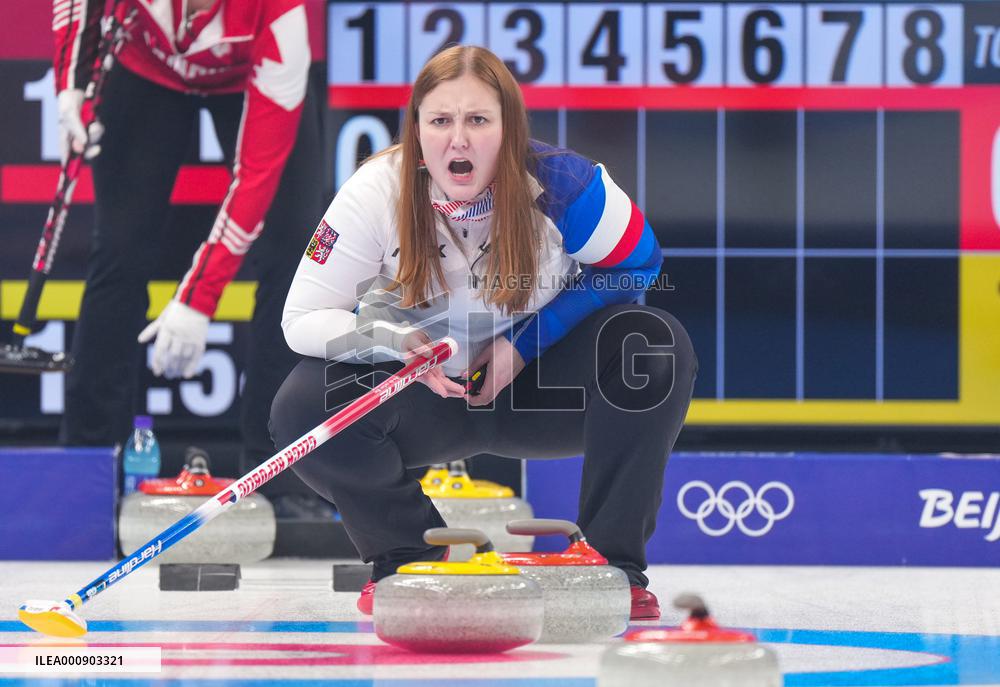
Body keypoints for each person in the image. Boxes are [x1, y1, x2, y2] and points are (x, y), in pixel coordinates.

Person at [269, 45, 697, 620]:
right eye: (440, 121)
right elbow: (302, 318)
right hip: (425, 392)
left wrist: (523, 345)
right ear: (416, 130)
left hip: (537, 388)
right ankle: (411, 556)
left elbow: (640, 263)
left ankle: (610, 568)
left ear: (509, 128)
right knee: (301, 405)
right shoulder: (374, 192)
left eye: (477, 120)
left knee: (653, 344)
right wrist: (392, 342)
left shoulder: (566, 184)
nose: (459, 140)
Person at [54, 0, 323, 499]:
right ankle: (87, 475)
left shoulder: (282, 16)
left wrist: (199, 298)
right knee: (119, 250)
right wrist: (70, 83)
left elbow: (255, 180)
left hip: (249, 73)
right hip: (144, 62)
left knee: (293, 250)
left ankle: (281, 476)